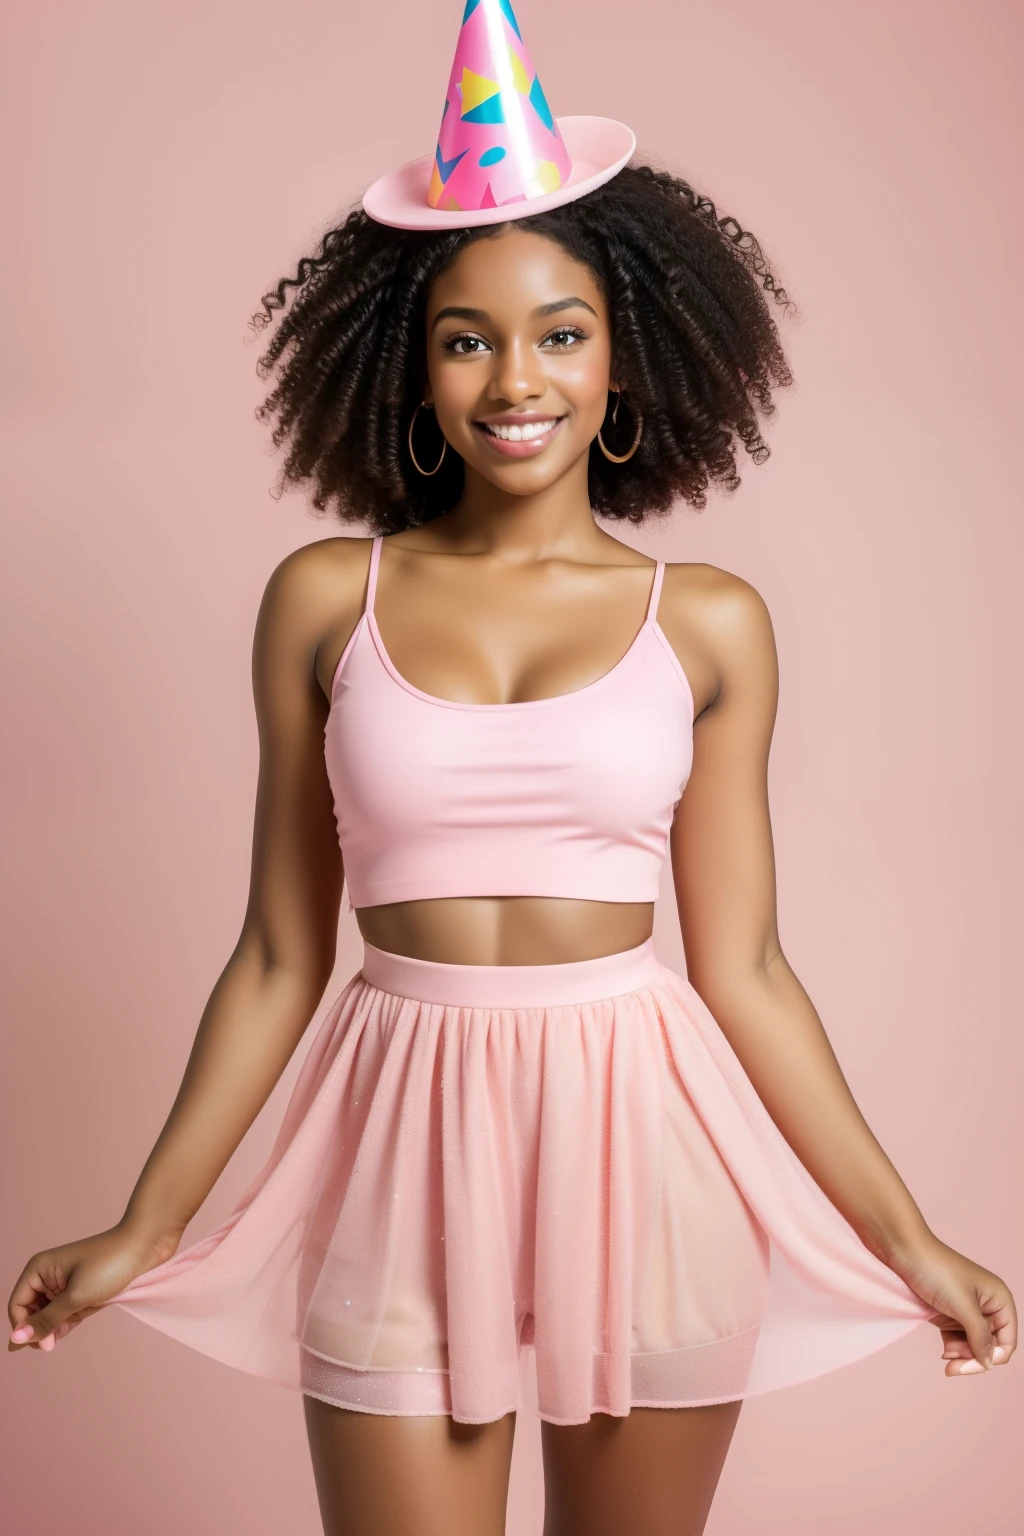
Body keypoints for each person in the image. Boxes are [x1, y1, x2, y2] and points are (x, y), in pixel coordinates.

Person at [8, 4, 1016, 1534]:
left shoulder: (714, 625)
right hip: (398, 1148)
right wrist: (147, 1226)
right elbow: (282, 952)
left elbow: (745, 969)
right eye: (466, 338)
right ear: (410, 368)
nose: (515, 378)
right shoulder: (322, 599)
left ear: (629, 358)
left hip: (646, 1154)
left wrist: (911, 1238)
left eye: (561, 332)